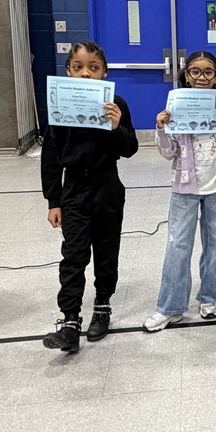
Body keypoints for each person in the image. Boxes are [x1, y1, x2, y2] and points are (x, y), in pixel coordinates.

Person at [41, 41, 138, 352]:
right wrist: (53, 200)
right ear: (68, 70)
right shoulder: (60, 106)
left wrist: (116, 126)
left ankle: (103, 305)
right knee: (74, 254)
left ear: (104, 72)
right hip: (74, 190)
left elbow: (130, 149)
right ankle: (70, 319)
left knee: (107, 251)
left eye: (93, 68)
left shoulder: (117, 103)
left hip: (108, 186)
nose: (85, 74)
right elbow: (51, 157)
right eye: (78, 67)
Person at [144, 51, 216, 330]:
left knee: (215, 245)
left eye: (208, 72)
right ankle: (170, 306)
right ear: (186, 75)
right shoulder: (176, 104)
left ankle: (209, 297)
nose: (202, 77)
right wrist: (162, 127)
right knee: (178, 245)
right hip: (184, 186)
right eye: (195, 72)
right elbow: (168, 152)